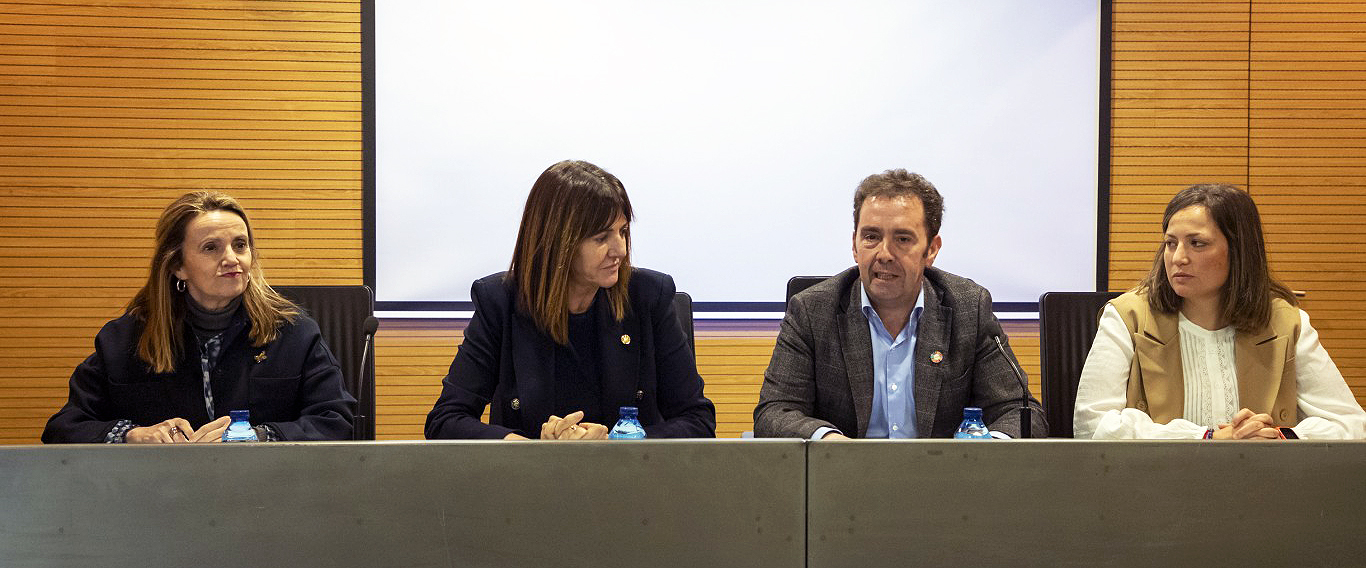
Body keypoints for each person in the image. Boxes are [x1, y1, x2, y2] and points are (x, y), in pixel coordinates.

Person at [425, 160, 716, 440]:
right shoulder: (500, 301)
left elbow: (697, 420)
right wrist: (527, 448)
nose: (621, 250)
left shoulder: (648, 296)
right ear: (558, 243)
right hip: (531, 482)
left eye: (623, 231)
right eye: (602, 238)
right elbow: (446, 419)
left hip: (629, 480)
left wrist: (616, 444)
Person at [753, 169, 1047, 439]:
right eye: (871, 236)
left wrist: (986, 450)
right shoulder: (813, 310)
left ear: (931, 250)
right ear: (854, 245)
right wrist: (827, 441)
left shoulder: (968, 308)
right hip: (842, 481)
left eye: (902, 239)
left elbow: (1021, 414)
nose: (884, 254)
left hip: (942, 483)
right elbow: (774, 413)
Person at [42, 192, 355, 443]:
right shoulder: (126, 339)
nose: (232, 259)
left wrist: (258, 437)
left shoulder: (293, 332)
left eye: (240, 245)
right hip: (163, 499)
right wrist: (132, 435)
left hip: (266, 496)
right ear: (178, 265)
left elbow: (335, 420)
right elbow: (65, 426)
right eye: (211, 248)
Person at [1074, 184, 1366, 439]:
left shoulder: (1285, 322)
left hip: (1261, 486)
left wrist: (1277, 437)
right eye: (1170, 243)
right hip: (1156, 487)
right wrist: (1206, 437)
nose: (1179, 258)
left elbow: (1352, 424)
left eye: (1197, 243)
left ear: (1238, 251)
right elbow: (1092, 426)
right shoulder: (1127, 317)